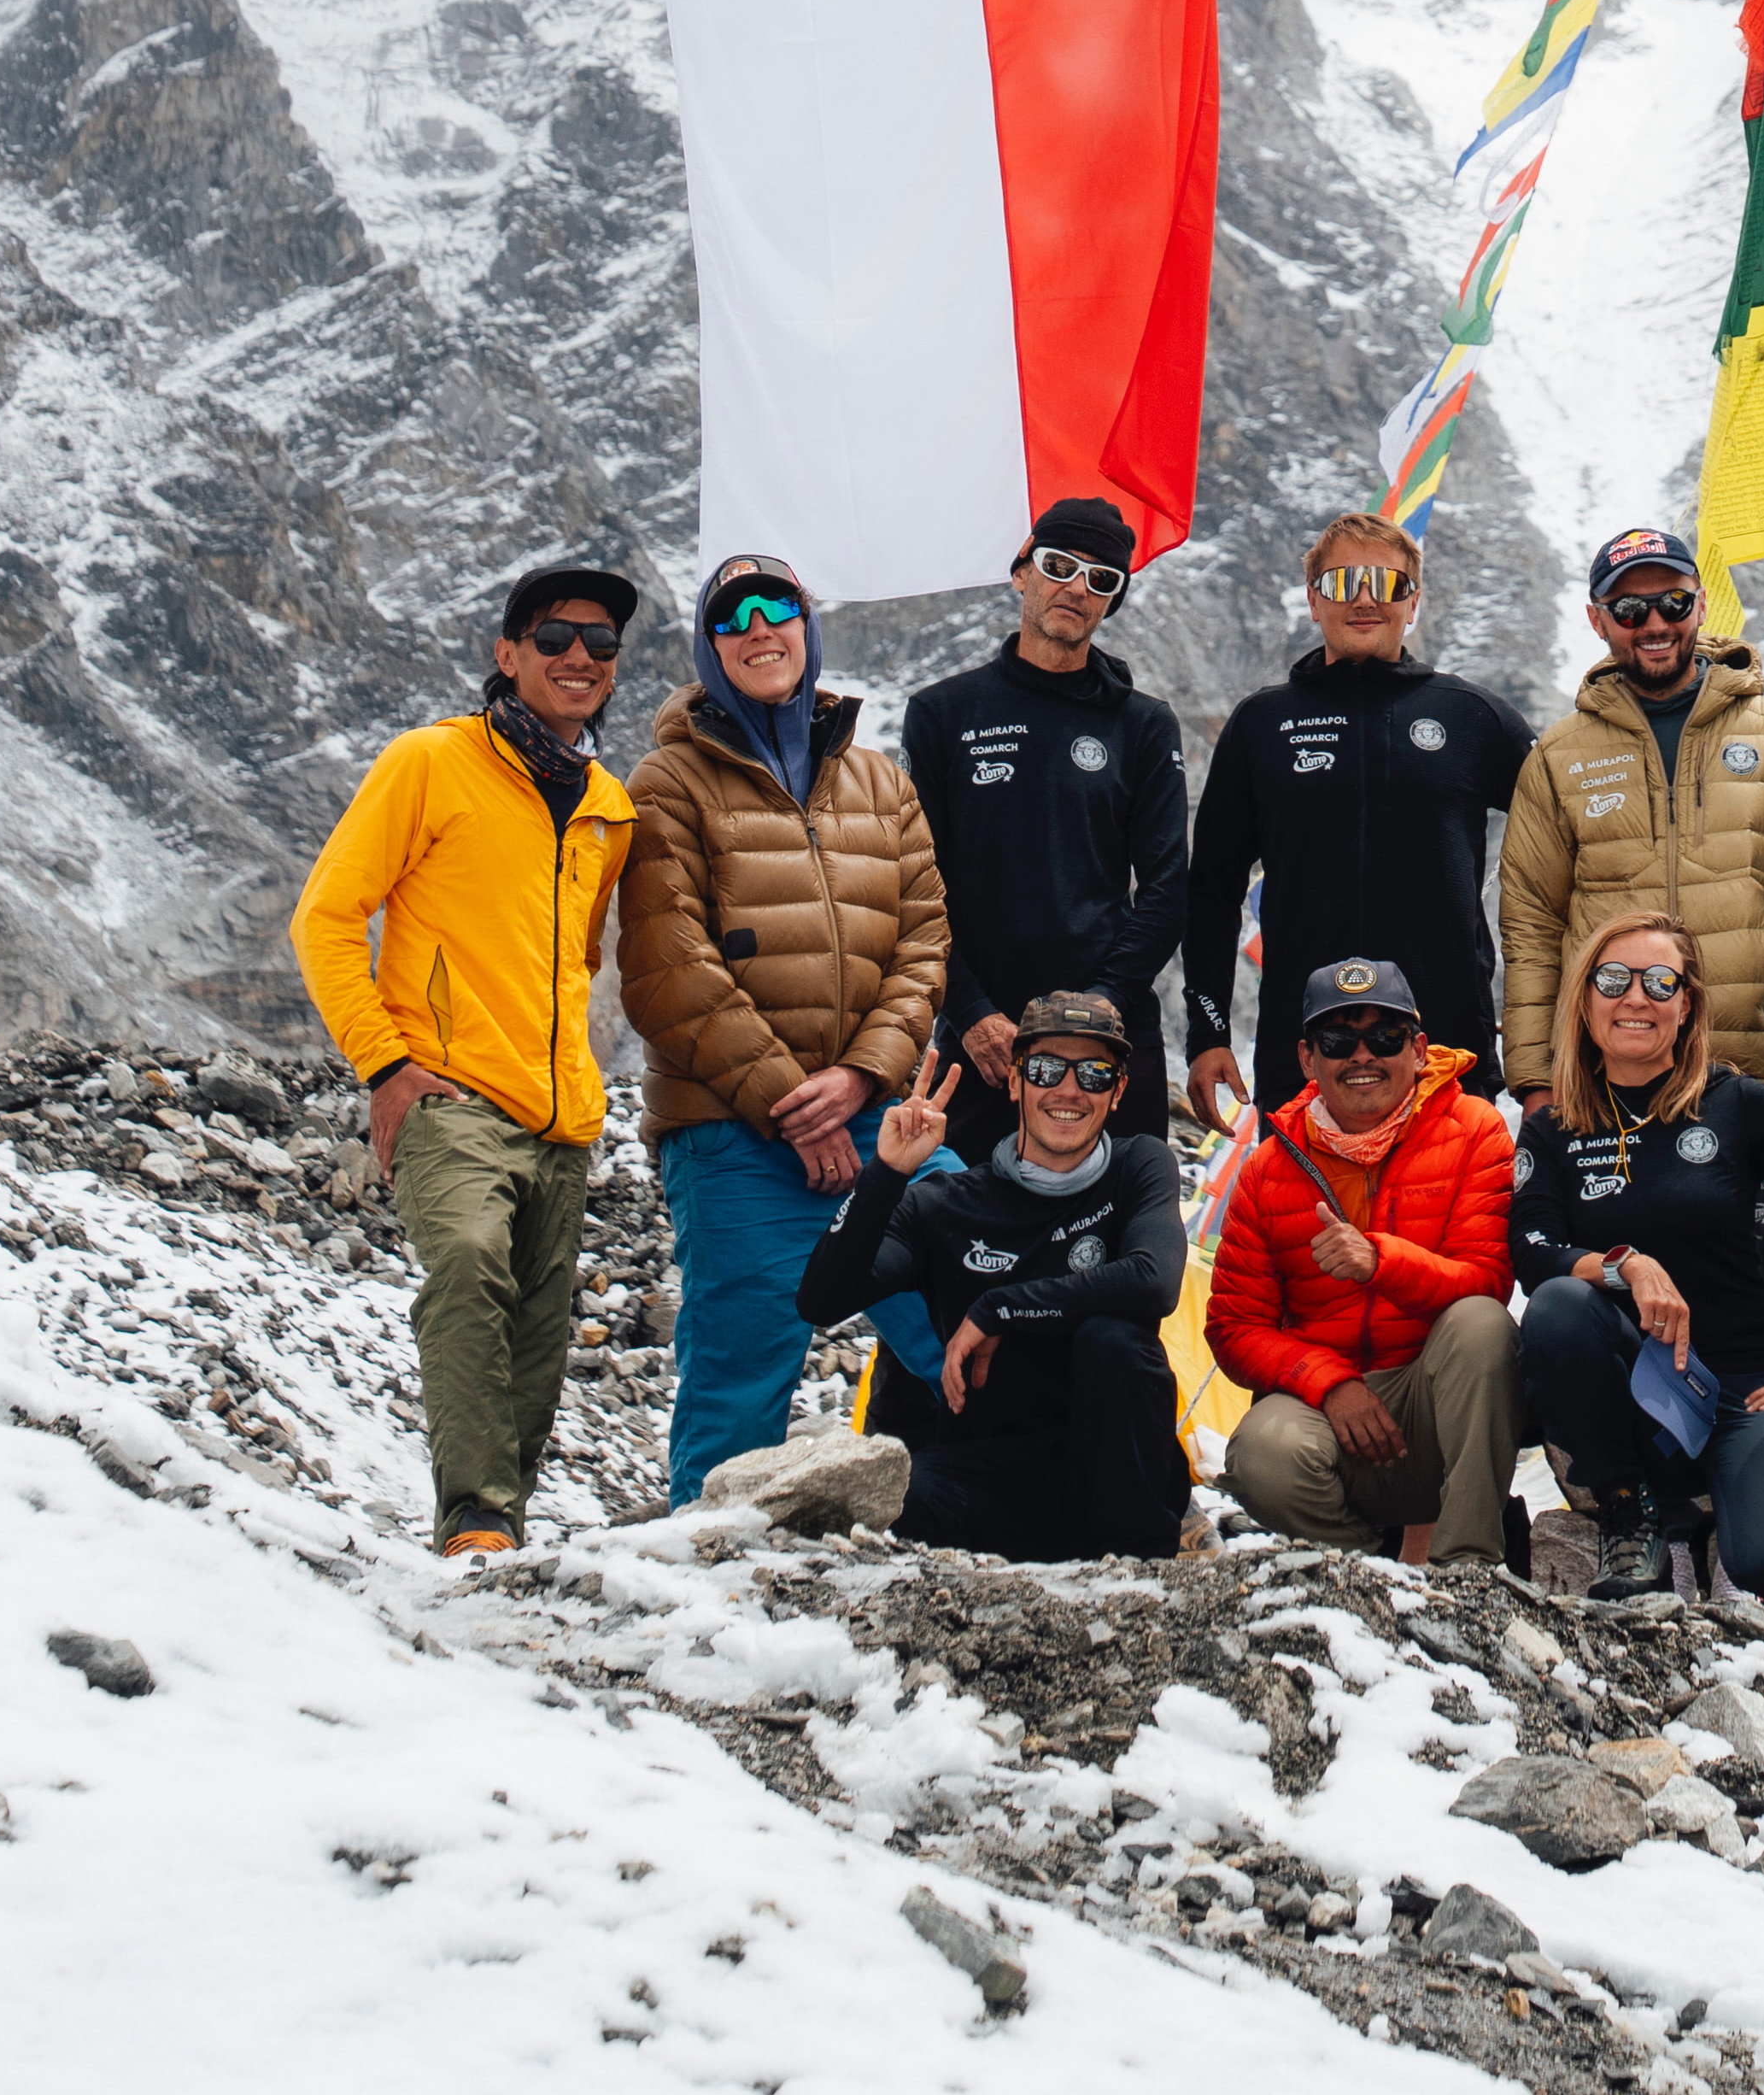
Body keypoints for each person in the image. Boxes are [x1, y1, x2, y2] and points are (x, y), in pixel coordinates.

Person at [290, 565, 642, 1556]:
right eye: (555, 637)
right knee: (468, 1261)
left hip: (562, 1117)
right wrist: (385, 1067)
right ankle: (476, 1520)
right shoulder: (431, 762)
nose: (579, 656)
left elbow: (578, 960)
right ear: (508, 654)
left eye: (601, 643)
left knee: (538, 1338)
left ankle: (500, 1537)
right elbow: (325, 918)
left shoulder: (609, 806)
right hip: (447, 1093)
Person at [618, 553, 958, 1505]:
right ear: (709, 647)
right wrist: (791, 1106)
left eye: (779, 608)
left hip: (879, 1119)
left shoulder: (881, 783)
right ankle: (700, 1570)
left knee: (973, 1302)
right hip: (731, 1131)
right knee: (739, 1372)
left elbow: (926, 943)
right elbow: (667, 968)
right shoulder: (666, 784)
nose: (759, 629)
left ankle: (1045, 1519)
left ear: (808, 627)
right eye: (733, 618)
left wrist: (859, 1079)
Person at [1511, 912, 1764, 1600]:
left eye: (1660, 982)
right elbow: (1532, 1252)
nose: (1636, 997)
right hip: (1638, 1394)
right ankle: (1633, 1512)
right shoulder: (1552, 1128)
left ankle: (1728, 1521)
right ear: (1585, 999)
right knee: (1559, 1307)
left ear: (1686, 1004)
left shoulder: (1740, 1103)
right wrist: (1624, 1265)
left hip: (1752, 1385)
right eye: (1613, 980)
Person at [794, 995, 1188, 1561]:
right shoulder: (946, 1203)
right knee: (893, 1497)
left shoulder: (1138, 1166)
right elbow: (822, 1300)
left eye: (1094, 1074)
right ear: (1015, 1081)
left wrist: (998, 1307)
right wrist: (886, 1174)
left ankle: (1143, 1568)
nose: (1069, 1090)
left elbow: (1155, 1282)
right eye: (1047, 1069)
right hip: (992, 1475)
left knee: (1114, 1339)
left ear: (1118, 1090)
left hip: (1125, 1479)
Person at [1183, 512, 1537, 1128]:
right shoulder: (1260, 724)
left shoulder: (1474, 716)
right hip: (1305, 1051)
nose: (1366, 599)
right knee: (1302, 1198)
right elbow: (1211, 889)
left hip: (1446, 1044)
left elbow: (1566, 848)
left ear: (1414, 602)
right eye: (1344, 582)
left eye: (1388, 583)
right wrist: (1207, 1034)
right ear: (1313, 600)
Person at [902, 496, 1189, 1160]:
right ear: (1022, 572)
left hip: (1112, 1035)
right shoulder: (942, 713)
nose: (1077, 588)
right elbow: (914, 886)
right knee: (967, 1220)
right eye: (1060, 566)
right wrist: (971, 1014)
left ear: (1111, 601)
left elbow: (1168, 887)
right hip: (981, 1044)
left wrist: (1103, 1005)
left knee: (1126, 1221)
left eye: (1101, 579)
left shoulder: (1144, 724)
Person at [1210, 959, 1520, 1566]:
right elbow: (1233, 1327)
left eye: (1385, 1036)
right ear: (1307, 1060)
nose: (1362, 1056)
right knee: (1262, 1453)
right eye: (1337, 1040)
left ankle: (1468, 1568)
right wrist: (1329, 1385)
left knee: (1483, 1324)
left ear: (1418, 1049)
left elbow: (1487, 1280)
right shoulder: (1267, 1168)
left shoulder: (1475, 1129)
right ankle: (1365, 1574)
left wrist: (1381, 1261)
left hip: (1437, 1402)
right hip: (1329, 1412)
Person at [1499, 526, 1764, 1110]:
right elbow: (1532, 924)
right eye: (1628, 609)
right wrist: (1537, 1077)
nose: (1653, 623)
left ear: (1701, 604)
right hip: (1601, 1079)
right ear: (1597, 620)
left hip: (1747, 1069)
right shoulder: (1557, 756)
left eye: (1672, 602)